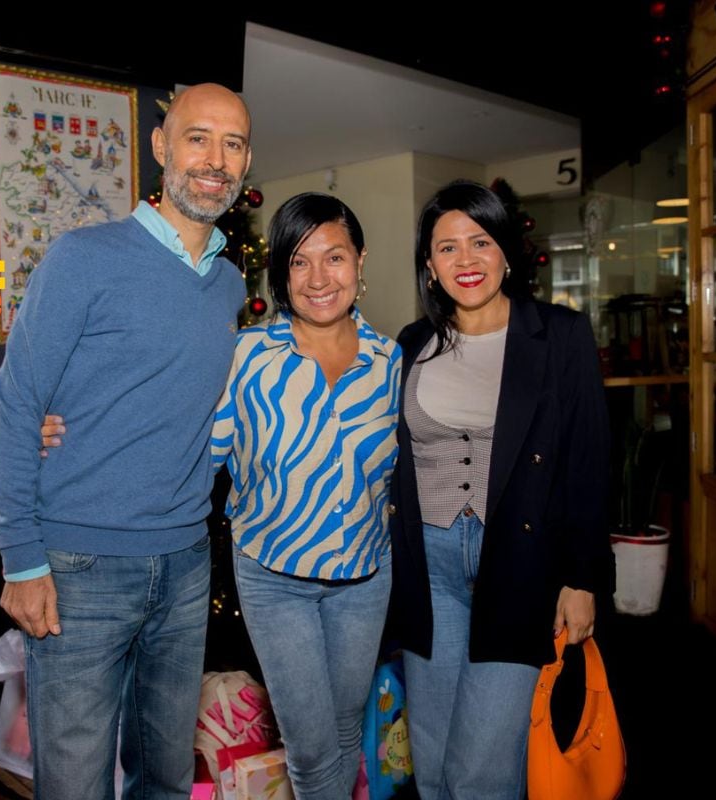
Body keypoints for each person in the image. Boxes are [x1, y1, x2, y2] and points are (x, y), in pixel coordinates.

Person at [43, 193, 401, 799]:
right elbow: (184, 440)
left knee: (345, 734)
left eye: (334, 258)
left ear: (360, 261)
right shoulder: (248, 357)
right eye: (299, 261)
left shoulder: (389, 360)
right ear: (280, 273)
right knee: (313, 749)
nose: (319, 278)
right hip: (274, 573)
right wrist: (68, 431)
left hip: (366, 574)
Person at [0, 83, 252, 800]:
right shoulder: (83, 258)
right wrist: (22, 558)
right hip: (79, 567)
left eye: (233, 144)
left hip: (187, 565)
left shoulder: (229, 284)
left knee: (165, 778)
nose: (216, 160)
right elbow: (16, 406)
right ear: (162, 147)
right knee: (73, 785)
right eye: (199, 138)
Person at [386, 180, 611, 800]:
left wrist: (583, 577)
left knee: (480, 770)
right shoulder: (410, 344)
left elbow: (588, 462)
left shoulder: (560, 335)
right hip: (428, 570)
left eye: (479, 242)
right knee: (431, 762)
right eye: (447, 248)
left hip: (518, 565)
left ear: (506, 251)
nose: (465, 261)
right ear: (429, 266)